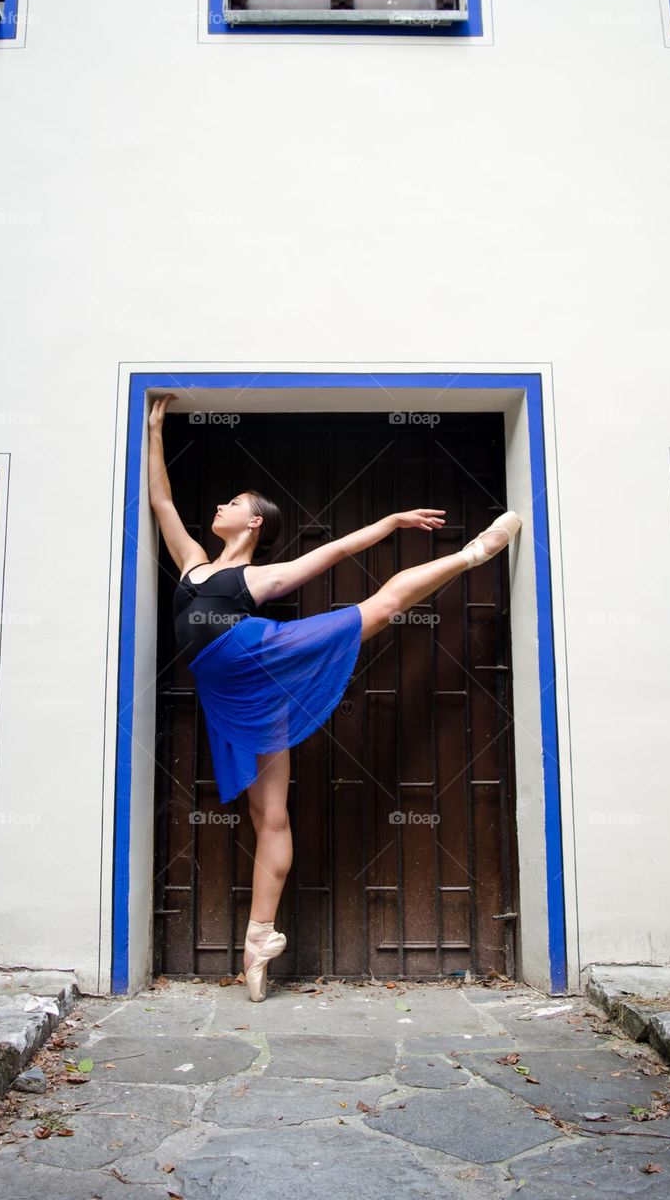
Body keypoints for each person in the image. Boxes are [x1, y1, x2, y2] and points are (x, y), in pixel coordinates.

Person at [148, 394, 522, 1002]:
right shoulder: (191, 561)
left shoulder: (260, 578)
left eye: (233, 502)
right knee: (267, 815)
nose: (219, 505)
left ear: (253, 523)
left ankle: (472, 553)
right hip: (231, 696)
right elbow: (161, 500)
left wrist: (393, 522)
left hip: (262, 656)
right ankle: (261, 937)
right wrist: (154, 430)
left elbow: (339, 550)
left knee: (380, 607)